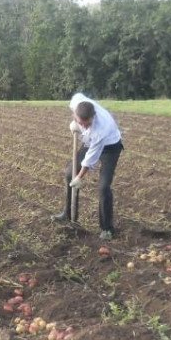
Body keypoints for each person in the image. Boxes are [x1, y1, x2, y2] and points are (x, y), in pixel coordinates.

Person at [54, 92, 123, 240]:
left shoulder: (100, 129)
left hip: (110, 147)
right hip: (90, 141)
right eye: (81, 123)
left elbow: (90, 159)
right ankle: (68, 213)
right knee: (68, 174)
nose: (84, 126)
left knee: (104, 186)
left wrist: (79, 178)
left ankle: (107, 229)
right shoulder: (77, 102)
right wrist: (76, 125)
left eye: (87, 124)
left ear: (93, 117)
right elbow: (75, 99)